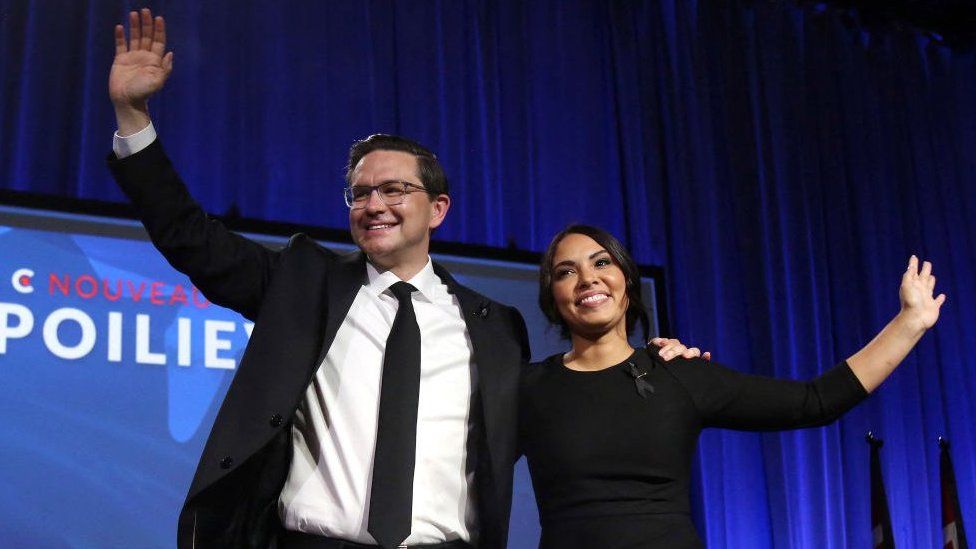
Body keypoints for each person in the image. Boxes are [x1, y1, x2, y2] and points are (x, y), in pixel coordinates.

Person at [107, 9, 700, 549]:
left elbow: (566, 402)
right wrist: (133, 118)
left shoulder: (496, 328)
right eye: (360, 193)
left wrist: (647, 363)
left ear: (437, 209)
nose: (374, 204)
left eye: (395, 189)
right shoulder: (303, 284)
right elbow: (190, 237)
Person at [520, 224, 945, 548]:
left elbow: (813, 402)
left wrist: (909, 323)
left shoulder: (676, 372)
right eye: (565, 271)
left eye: (601, 263)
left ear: (626, 282)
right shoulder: (530, 388)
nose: (588, 279)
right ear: (552, 297)